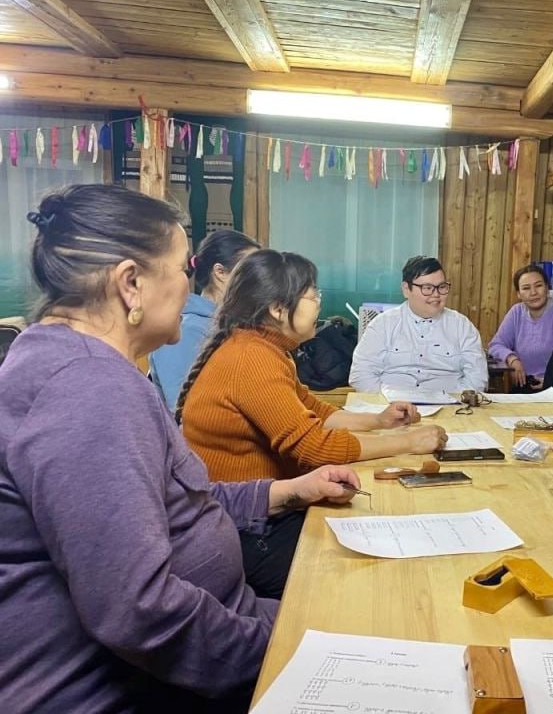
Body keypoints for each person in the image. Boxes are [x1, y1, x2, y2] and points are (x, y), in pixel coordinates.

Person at [0, 184, 363, 713]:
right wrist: (286, 647)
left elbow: (175, 499)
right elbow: (140, 612)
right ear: (131, 283)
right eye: (181, 268)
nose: (190, 287)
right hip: (130, 686)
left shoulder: (82, 366)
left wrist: (287, 491)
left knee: (366, 615)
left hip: (217, 624)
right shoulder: (88, 388)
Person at [177, 249, 448, 598]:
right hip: (248, 529)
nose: (319, 303)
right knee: (373, 572)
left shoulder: (265, 349)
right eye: (312, 295)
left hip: (264, 512)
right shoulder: (251, 358)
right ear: (278, 309)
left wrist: (380, 420)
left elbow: (317, 412)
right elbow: (314, 447)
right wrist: (409, 443)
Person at [149, 228, 259, 408]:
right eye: (251, 272)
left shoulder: (237, 326)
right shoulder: (186, 331)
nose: (260, 281)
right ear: (220, 272)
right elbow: (184, 410)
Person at [349, 255, 488, 393]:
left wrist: (453, 400)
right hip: (391, 403)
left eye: (442, 287)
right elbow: (360, 374)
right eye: (427, 288)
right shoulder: (383, 324)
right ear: (406, 289)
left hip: (450, 403)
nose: (436, 294)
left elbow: (477, 378)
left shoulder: (462, 326)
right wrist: (388, 400)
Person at [488, 265, 553, 390]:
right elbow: (495, 345)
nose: (533, 292)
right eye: (526, 288)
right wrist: (512, 359)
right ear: (518, 294)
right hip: (524, 385)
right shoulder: (516, 312)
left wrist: (552, 380)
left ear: (547, 288)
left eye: (538, 286)